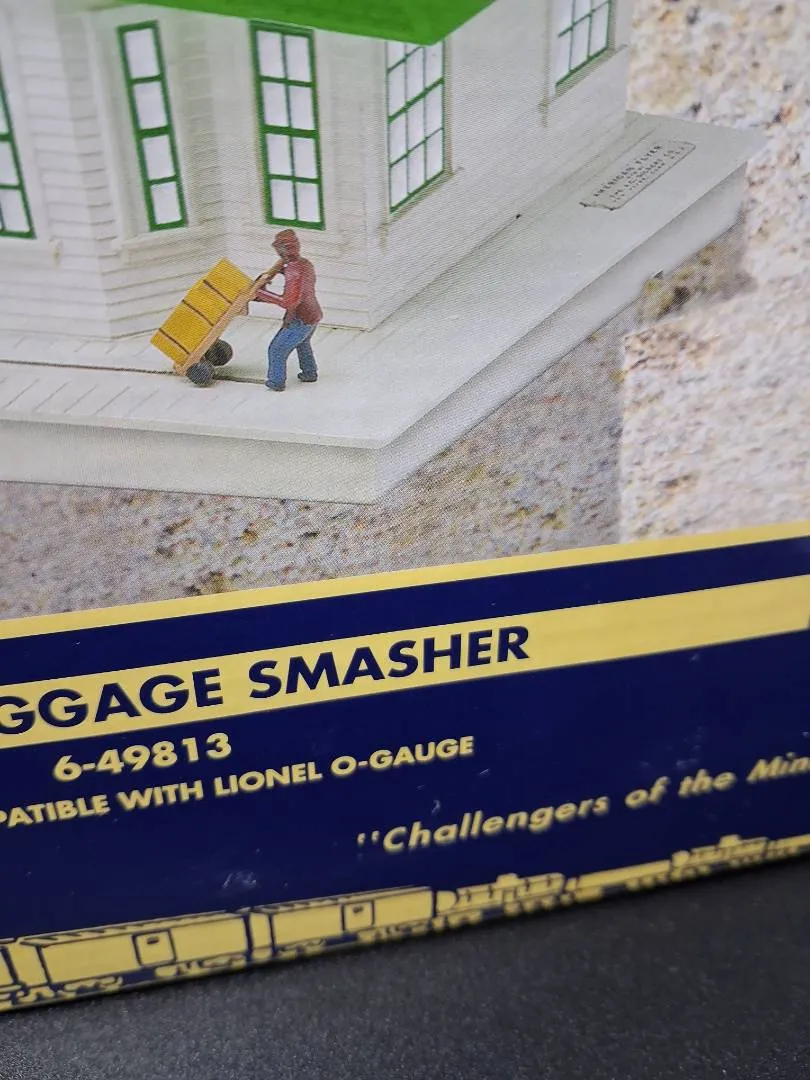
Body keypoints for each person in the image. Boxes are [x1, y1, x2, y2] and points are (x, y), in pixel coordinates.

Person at [254, 229, 323, 392]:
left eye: (278, 248)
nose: (277, 252)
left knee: (277, 349)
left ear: (283, 249)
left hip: (300, 318)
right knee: (303, 343)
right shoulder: (305, 263)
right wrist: (278, 271)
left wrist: (260, 293)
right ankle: (309, 373)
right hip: (313, 314)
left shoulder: (293, 271)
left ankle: (276, 381)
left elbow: (289, 302)